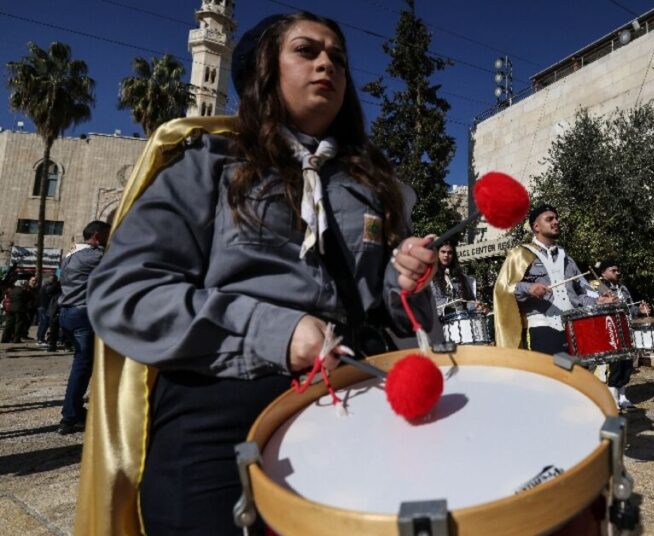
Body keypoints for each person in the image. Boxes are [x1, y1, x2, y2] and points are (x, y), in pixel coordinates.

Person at [76, 12, 437, 536]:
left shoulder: (375, 185)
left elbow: (384, 308)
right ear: (262, 71)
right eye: (306, 51)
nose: (327, 66)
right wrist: (277, 332)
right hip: (223, 400)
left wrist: (404, 282)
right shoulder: (208, 163)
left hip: (350, 395)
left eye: (337, 58)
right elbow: (124, 292)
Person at [493, 204, 611, 355]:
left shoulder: (567, 259)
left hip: (573, 328)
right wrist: (529, 288)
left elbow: (580, 293)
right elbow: (504, 289)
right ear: (536, 226)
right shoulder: (520, 254)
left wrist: (597, 301)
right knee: (549, 377)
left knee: (574, 376)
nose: (556, 222)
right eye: (549, 219)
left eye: (556, 218)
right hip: (541, 327)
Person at [56, 220, 111, 434]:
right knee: (82, 366)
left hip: (67, 314)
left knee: (82, 364)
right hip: (83, 315)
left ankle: (75, 412)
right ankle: (70, 417)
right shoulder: (95, 257)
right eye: (106, 235)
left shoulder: (69, 256)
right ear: (96, 236)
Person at [590, 258, 651, 410]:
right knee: (614, 364)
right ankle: (612, 398)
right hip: (608, 329)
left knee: (627, 364)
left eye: (618, 270)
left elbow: (630, 309)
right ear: (603, 272)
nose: (618, 273)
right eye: (613, 270)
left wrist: (640, 311)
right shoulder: (595, 286)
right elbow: (590, 306)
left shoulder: (622, 288)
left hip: (626, 329)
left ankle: (623, 396)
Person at [430, 241, 488, 316]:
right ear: (437, 253)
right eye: (443, 252)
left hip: (459, 320)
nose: (446, 255)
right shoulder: (429, 277)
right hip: (437, 322)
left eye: (450, 253)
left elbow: (466, 302)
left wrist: (476, 306)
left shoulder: (460, 278)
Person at [35, 275, 59, 345]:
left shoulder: (45, 286)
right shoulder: (47, 287)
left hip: (42, 307)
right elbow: (50, 290)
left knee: (43, 324)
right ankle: (40, 340)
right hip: (44, 307)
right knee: (44, 324)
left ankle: (40, 339)